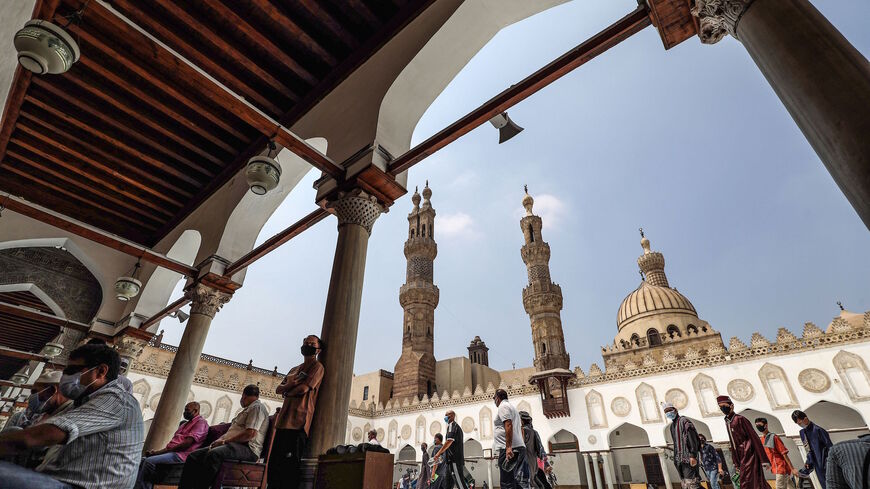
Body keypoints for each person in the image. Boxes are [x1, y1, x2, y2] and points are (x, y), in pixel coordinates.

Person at [0, 343, 144, 489]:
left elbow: (41, 435)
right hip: (56, 479)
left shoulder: (117, 401)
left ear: (101, 371)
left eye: (73, 370)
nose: (65, 376)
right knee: (12, 434)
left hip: (77, 486)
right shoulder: (81, 402)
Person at [179, 384, 269, 489]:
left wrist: (224, 442)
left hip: (248, 449)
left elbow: (250, 434)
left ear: (244, 396)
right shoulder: (249, 409)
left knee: (214, 454)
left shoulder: (257, 407)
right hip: (234, 445)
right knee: (194, 456)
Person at [269, 334, 325, 489]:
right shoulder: (294, 369)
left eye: (312, 343)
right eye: (306, 342)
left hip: (299, 421)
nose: (308, 345)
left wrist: (288, 390)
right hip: (283, 422)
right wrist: (289, 386)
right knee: (275, 464)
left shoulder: (317, 367)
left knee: (290, 466)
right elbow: (279, 388)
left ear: (318, 349)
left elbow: (304, 388)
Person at [136, 401, 209, 489]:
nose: (185, 412)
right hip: (173, 452)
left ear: (196, 410)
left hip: (182, 455)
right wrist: (156, 453)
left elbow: (186, 444)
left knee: (149, 462)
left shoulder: (200, 423)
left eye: (187, 410)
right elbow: (171, 446)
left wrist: (161, 453)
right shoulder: (185, 424)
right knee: (142, 460)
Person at [717, 395, 769, 489]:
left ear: (731, 405)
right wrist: (735, 461)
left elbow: (754, 437)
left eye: (724, 406)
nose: (722, 409)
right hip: (740, 456)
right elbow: (733, 443)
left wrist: (763, 459)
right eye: (720, 407)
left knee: (749, 481)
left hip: (749, 454)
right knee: (753, 482)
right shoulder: (727, 421)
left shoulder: (740, 419)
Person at [493, 389, 529, 489]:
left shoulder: (503, 406)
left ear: (497, 398)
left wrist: (508, 447)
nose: (494, 401)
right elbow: (520, 428)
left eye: (494, 398)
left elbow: (508, 424)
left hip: (509, 449)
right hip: (518, 447)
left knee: (507, 482)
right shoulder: (512, 408)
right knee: (514, 480)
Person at [664, 402, 702, 489]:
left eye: (670, 410)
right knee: (686, 482)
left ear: (675, 410)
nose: (668, 413)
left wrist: (693, 455)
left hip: (688, 458)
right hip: (679, 459)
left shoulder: (684, 421)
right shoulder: (672, 426)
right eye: (666, 412)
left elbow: (692, 439)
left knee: (692, 483)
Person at [793, 410, 833, 489]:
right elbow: (808, 450)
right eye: (798, 424)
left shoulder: (819, 430)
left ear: (805, 419)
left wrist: (830, 463)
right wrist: (808, 462)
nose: (800, 425)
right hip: (816, 466)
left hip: (826, 464)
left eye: (800, 423)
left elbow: (831, 448)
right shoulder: (802, 433)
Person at [432, 410, 470, 489]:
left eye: (447, 415)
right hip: (449, 463)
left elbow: (449, 441)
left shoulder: (452, 425)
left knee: (460, 483)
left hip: (454, 461)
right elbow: (449, 447)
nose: (445, 417)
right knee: (447, 485)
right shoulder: (451, 426)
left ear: (452, 416)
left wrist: (438, 454)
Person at [756, 417, 795, 489]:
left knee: (779, 487)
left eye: (760, 424)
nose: (758, 426)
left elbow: (784, 453)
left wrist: (792, 468)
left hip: (780, 466)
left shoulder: (774, 437)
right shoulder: (762, 439)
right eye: (757, 425)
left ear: (766, 425)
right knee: (790, 486)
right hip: (775, 467)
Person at [519, 411, 550, 489]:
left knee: (527, 482)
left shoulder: (521, 431)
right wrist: (546, 463)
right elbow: (541, 450)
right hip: (532, 462)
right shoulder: (534, 432)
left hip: (525, 462)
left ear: (521, 421)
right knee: (533, 480)